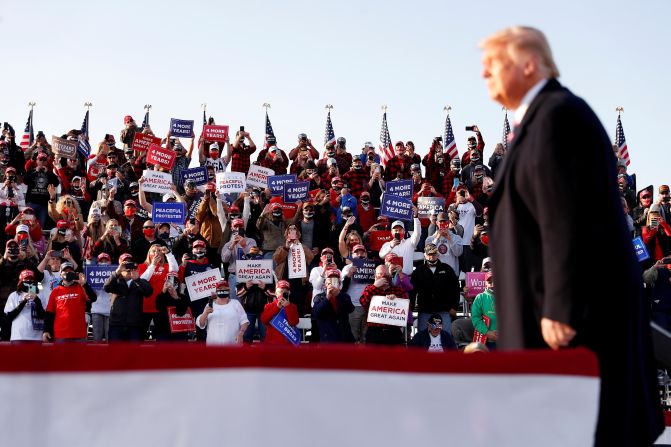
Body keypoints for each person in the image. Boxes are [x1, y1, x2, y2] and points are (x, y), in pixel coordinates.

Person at [480, 26, 663, 445]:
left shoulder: (557, 116)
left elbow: (566, 216)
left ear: (529, 64)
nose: (485, 74)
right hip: (549, 322)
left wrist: (560, 307)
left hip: (569, 325)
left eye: (495, 64)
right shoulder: (540, 121)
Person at [410, 244, 460, 334]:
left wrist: (454, 307)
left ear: (438, 254)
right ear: (425, 255)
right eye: (429, 254)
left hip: (444, 310)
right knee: (423, 338)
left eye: (434, 254)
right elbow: (412, 291)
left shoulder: (447, 269)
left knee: (446, 337)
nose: (431, 256)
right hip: (425, 310)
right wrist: (411, 306)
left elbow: (455, 289)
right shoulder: (418, 271)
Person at [43, 263, 97, 343]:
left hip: (79, 334)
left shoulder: (81, 288)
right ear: (60, 274)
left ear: (74, 274)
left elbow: (93, 298)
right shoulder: (55, 291)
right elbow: (49, 312)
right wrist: (46, 330)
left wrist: (84, 284)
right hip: (60, 334)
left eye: (70, 271)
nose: (68, 273)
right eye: (65, 271)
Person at [103, 258, 153, 341]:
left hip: (135, 325)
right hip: (117, 324)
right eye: (127, 269)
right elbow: (106, 287)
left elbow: (149, 292)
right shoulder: (116, 281)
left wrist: (137, 279)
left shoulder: (140, 282)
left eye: (133, 269)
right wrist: (117, 272)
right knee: (116, 352)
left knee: (134, 352)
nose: (130, 271)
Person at [359, 265, 407, 345]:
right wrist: (375, 286)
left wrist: (396, 300)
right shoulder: (369, 288)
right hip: (375, 332)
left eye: (385, 274)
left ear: (390, 275)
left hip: (393, 332)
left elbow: (406, 308)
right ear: (375, 276)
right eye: (380, 274)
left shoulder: (397, 290)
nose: (382, 276)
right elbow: (363, 302)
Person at [197, 280, 249, 346]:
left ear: (229, 290)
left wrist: (241, 334)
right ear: (216, 291)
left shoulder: (236, 303)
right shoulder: (209, 305)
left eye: (225, 288)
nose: (223, 290)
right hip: (213, 346)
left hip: (233, 345)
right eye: (220, 288)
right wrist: (205, 314)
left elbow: (244, 321)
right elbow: (201, 324)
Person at [312, 269, 355, 343]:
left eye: (335, 281)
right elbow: (316, 314)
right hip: (328, 339)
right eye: (330, 280)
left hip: (344, 338)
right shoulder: (319, 297)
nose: (332, 283)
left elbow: (350, 309)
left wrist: (338, 295)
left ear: (339, 283)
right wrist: (327, 298)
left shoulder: (344, 296)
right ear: (325, 283)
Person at [4, 270, 46, 343]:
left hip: (36, 337)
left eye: (31, 279)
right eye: (26, 279)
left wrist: (37, 300)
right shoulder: (14, 295)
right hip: (19, 336)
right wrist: (23, 302)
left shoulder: (40, 295)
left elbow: (43, 316)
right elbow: (9, 316)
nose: (29, 281)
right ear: (21, 281)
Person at [260, 280, 300, 345]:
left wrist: (288, 307)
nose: (282, 294)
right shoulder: (269, 306)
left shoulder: (292, 306)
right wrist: (277, 307)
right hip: (272, 344)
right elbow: (264, 320)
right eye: (280, 291)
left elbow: (294, 322)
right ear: (276, 293)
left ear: (289, 293)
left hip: (287, 344)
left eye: (285, 292)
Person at [471, 271, 497, 349]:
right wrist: (487, 332)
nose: (492, 284)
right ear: (485, 283)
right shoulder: (480, 297)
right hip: (487, 342)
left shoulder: (508, 296)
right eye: (489, 282)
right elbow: (476, 318)